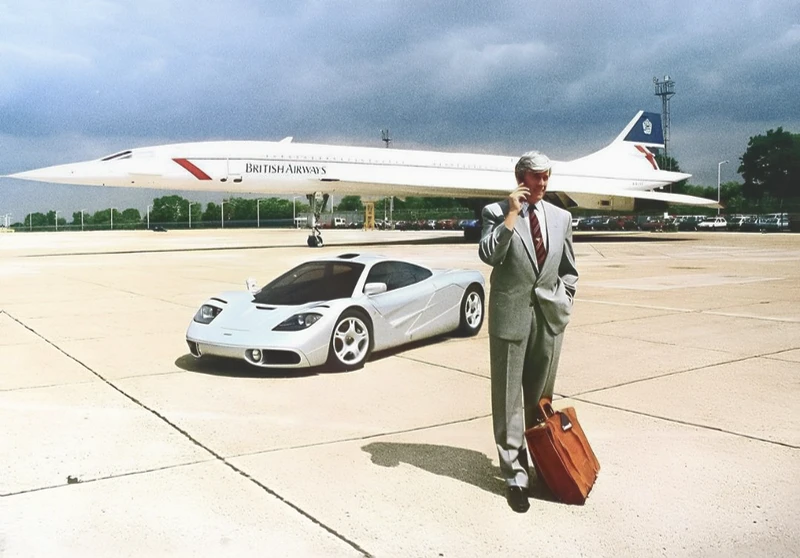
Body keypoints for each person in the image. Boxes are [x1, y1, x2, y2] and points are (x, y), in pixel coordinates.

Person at [478, 151, 578, 513]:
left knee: (540, 401)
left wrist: (565, 300)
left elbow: (569, 269)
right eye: (537, 177)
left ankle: (545, 467)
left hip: (548, 319)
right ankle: (515, 477)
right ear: (521, 177)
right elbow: (489, 254)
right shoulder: (495, 212)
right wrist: (511, 215)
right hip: (511, 317)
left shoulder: (562, 217)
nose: (543, 183)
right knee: (508, 400)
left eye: (547, 177)